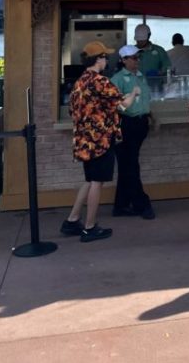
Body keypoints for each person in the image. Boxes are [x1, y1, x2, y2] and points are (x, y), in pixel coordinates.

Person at [60, 41, 133, 243]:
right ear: (98, 59)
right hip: (100, 141)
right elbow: (123, 104)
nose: (106, 60)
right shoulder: (100, 81)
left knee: (90, 180)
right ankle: (90, 227)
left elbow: (72, 110)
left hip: (83, 141)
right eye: (105, 57)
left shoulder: (79, 82)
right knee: (97, 183)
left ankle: (72, 220)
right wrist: (134, 93)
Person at [110, 45, 155, 219]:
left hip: (140, 122)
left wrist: (151, 115)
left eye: (138, 58)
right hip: (125, 123)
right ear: (124, 60)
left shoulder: (140, 76)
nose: (137, 61)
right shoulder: (118, 79)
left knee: (127, 165)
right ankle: (141, 203)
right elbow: (115, 106)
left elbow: (144, 100)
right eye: (133, 58)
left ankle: (121, 205)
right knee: (130, 164)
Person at [133, 23, 169, 95]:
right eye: (138, 40)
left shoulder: (159, 50)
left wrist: (159, 72)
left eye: (142, 40)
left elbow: (168, 67)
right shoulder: (131, 52)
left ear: (149, 36)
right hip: (135, 90)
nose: (140, 42)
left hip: (155, 89)